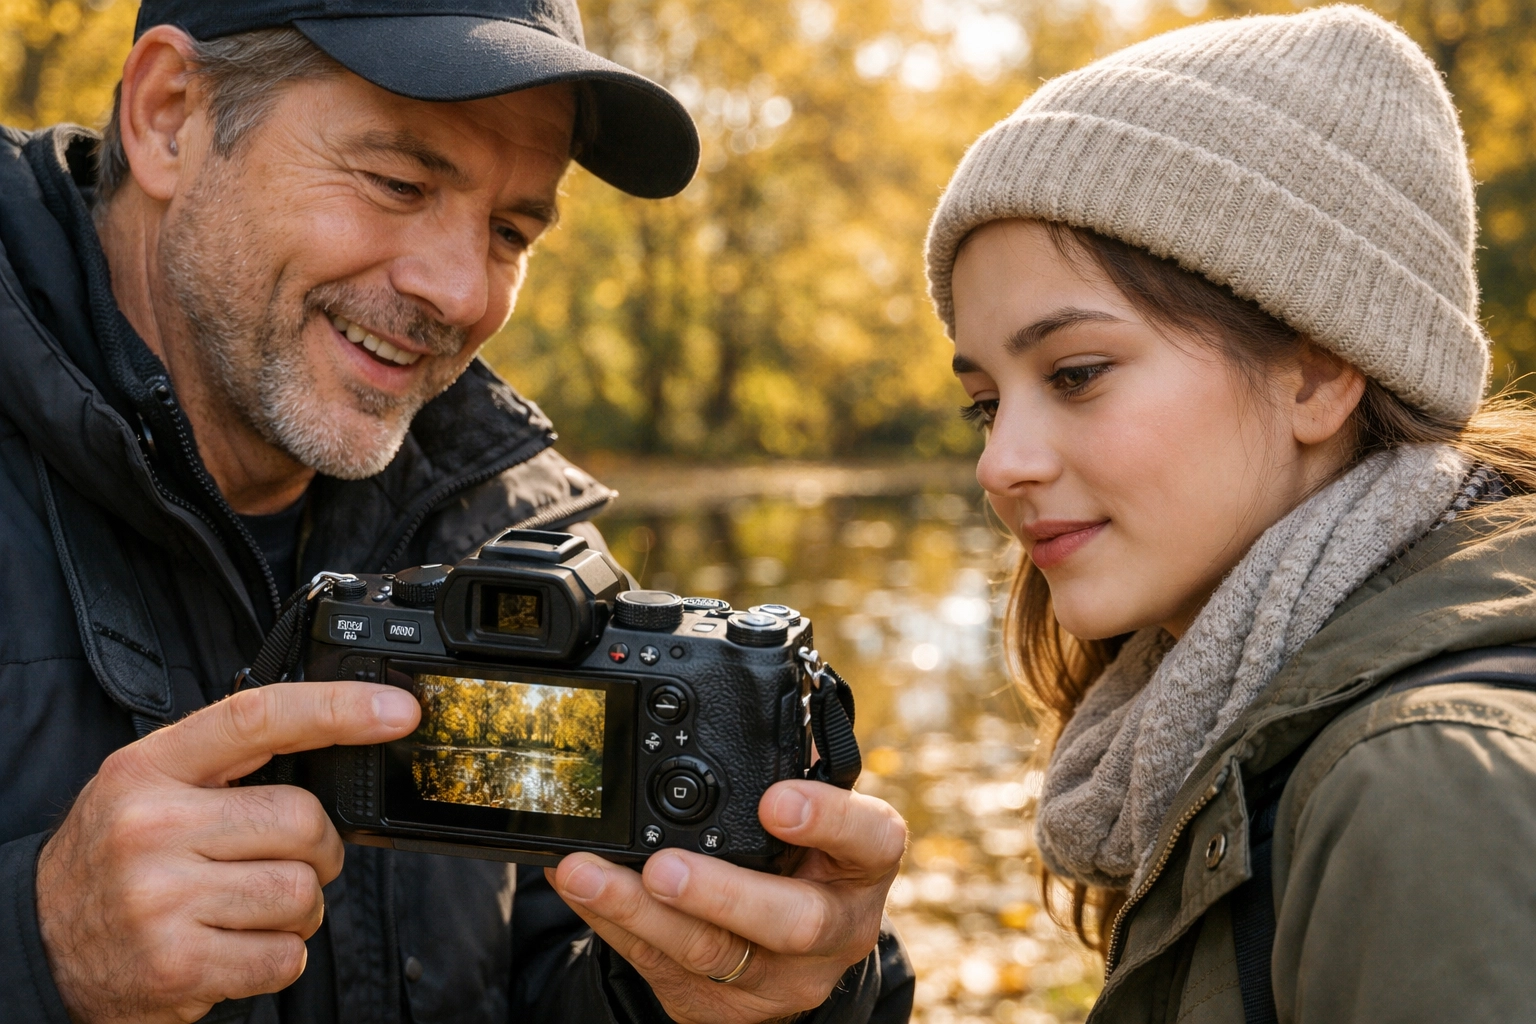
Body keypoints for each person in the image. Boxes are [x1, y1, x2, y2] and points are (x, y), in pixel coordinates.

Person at [0, 1, 913, 1021]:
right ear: (170, 116)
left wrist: (758, 988)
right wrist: (37, 947)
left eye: (511, 230)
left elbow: (552, 979)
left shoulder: (512, 528)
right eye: (397, 181)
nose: (458, 290)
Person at [924, 6, 1536, 1022]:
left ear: (1320, 372)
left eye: (1076, 373)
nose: (1001, 463)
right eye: (985, 403)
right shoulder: (1231, 731)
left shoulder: (1423, 784)